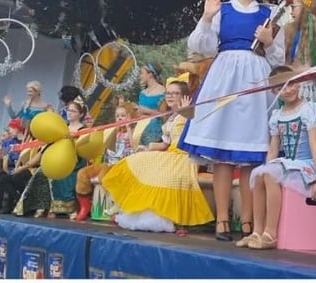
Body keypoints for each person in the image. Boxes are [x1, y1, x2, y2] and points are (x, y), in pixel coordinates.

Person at [178, 0, 285, 241]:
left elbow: (279, 60)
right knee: (222, 156)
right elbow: (199, 47)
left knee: (252, 156)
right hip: (224, 80)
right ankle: (223, 220)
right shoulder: (222, 12)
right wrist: (206, 17)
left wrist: (269, 40)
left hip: (255, 81)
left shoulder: (269, 13)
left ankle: (249, 221)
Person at [236, 66, 316, 249]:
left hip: (307, 164)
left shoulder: (308, 109)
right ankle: (256, 231)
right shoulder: (277, 115)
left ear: (299, 82)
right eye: (282, 87)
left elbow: (315, 146)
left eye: (292, 84)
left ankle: (270, 233)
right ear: (274, 91)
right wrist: (264, 170)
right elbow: (273, 149)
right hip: (290, 164)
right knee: (259, 174)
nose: (288, 90)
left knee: (270, 174)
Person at [102, 77, 214, 232]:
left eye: (175, 93)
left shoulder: (190, 113)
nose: (170, 96)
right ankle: (127, 205)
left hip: (183, 156)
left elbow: (196, 126)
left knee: (161, 173)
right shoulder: (171, 118)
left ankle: (159, 214)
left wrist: (188, 111)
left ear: (185, 96)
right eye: (168, 93)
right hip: (169, 153)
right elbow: (165, 143)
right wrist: (149, 147)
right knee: (136, 159)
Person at [73, 104, 135, 221]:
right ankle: (85, 206)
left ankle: (114, 207)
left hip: (122, 165)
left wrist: (128, 128)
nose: (120, 118)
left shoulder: (132, 132)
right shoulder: (112, 131)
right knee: (82, 173)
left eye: (123, 116)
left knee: (104, 176)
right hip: (107, 164)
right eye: (117, 116)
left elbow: (134, 146)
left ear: (130, 117)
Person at [134, 63, 166, 147]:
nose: (140, 76)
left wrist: (147, 111)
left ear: (150, 74)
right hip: (141, 129)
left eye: (142, 73)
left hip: (155, 130)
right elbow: (139, 112)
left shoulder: (163, 92)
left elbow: (164, 115)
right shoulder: (142, 93)